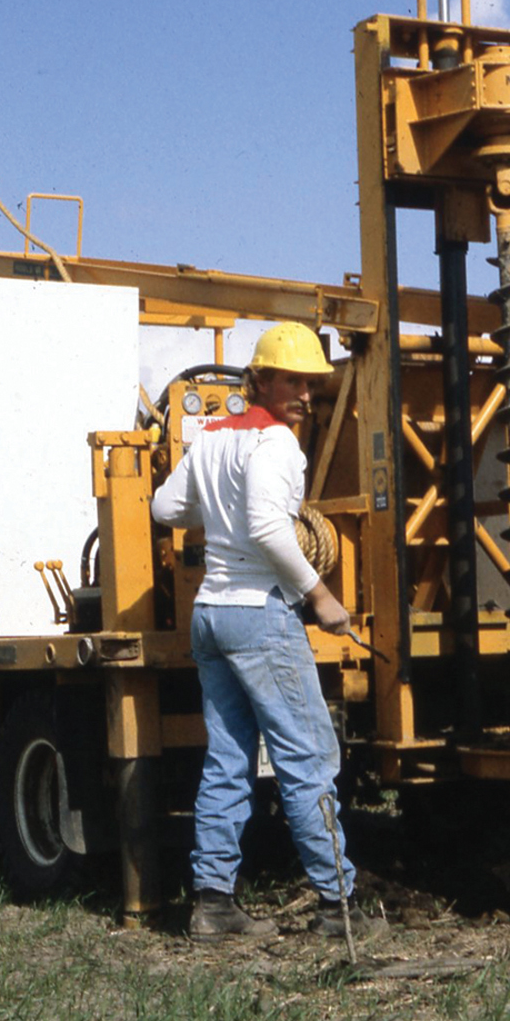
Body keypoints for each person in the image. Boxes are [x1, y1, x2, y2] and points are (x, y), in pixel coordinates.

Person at [151, 321, 361, 940]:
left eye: (310, 383)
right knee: (307, 756)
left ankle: (213, 904)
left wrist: (217, 514)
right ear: (260, 379)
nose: (304, 394)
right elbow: (270, 530)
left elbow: (165, 508)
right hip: (258, 611)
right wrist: (319, 596)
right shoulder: (276, 445)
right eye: (292, 380)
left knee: (227, 759)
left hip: (210, 615)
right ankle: (337, 903)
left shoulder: (213, 438)